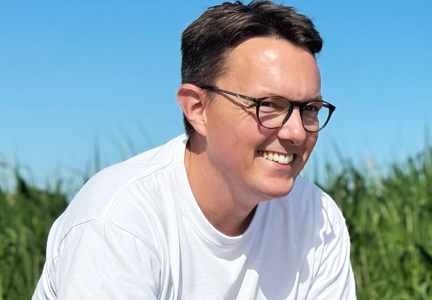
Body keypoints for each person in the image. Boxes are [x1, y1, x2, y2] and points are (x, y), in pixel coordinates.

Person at [32, 1, 356, 299]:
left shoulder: (316, 217)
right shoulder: (119, 223)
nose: (297, 132)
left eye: (310, 108)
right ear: (198, 109)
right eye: (269, 105)